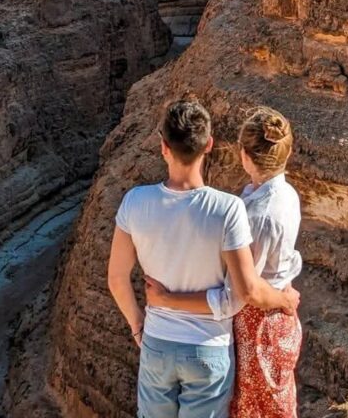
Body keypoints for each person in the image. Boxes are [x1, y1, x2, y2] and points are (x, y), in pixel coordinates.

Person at [108, 96, 300, 418]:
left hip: (156, 343)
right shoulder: (228, 209)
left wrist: (140, 327)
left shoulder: (134, 202)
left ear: (163, 147)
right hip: (209, 348)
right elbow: (239, 295)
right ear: (209, 144)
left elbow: (116, 278)